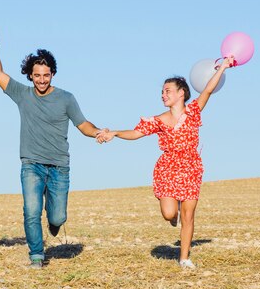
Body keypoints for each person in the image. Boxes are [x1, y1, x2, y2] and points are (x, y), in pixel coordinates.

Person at [96, 57, 234, 269]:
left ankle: (184, 258)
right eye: (162, 91)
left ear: (181, 93)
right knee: (169, 213)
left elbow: (207, 90)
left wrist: (223, 67)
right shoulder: (158, 120)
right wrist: (115, 132)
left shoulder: (194, 112)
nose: (163, 94)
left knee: (189, 215)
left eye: (167, 90)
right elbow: (136, 133)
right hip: (168, 168)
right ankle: (173, 215)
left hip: (190, 166)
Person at [0, 27, 104, 269]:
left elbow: (83, 124)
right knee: (31, 211)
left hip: (59, 166)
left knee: (58, 217)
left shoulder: (66, 98)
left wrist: (98, 133)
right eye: (37, 75)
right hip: (31, 164)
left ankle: (54, 220)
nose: (41, 80)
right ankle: (36, 255)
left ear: (53, 74)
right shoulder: (23, 94)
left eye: (46, 75)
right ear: (30, 75)